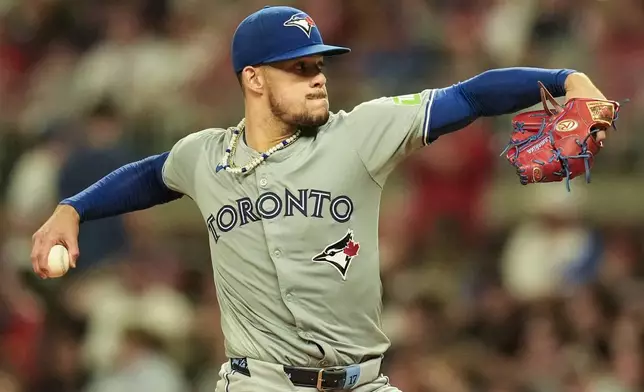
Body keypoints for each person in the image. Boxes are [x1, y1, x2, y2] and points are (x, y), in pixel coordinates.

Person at [31, 5, 612, 392]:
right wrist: (72, 208)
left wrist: (564, 79)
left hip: (361, 381)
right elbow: (151, 175)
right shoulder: (204, 155)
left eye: (321, 65)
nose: (319, 78)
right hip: (256, 382)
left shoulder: (360, 132)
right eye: (300, 68)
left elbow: (471, 96)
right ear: (253, 79)